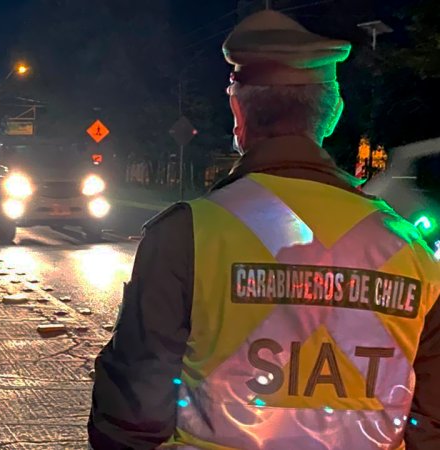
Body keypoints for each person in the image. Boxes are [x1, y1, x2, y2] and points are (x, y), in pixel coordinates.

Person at [88, 9, 440, 450]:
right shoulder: (410, 252)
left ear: (238, 112)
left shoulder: (186, 237)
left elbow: (132, 414)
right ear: (332, 114)